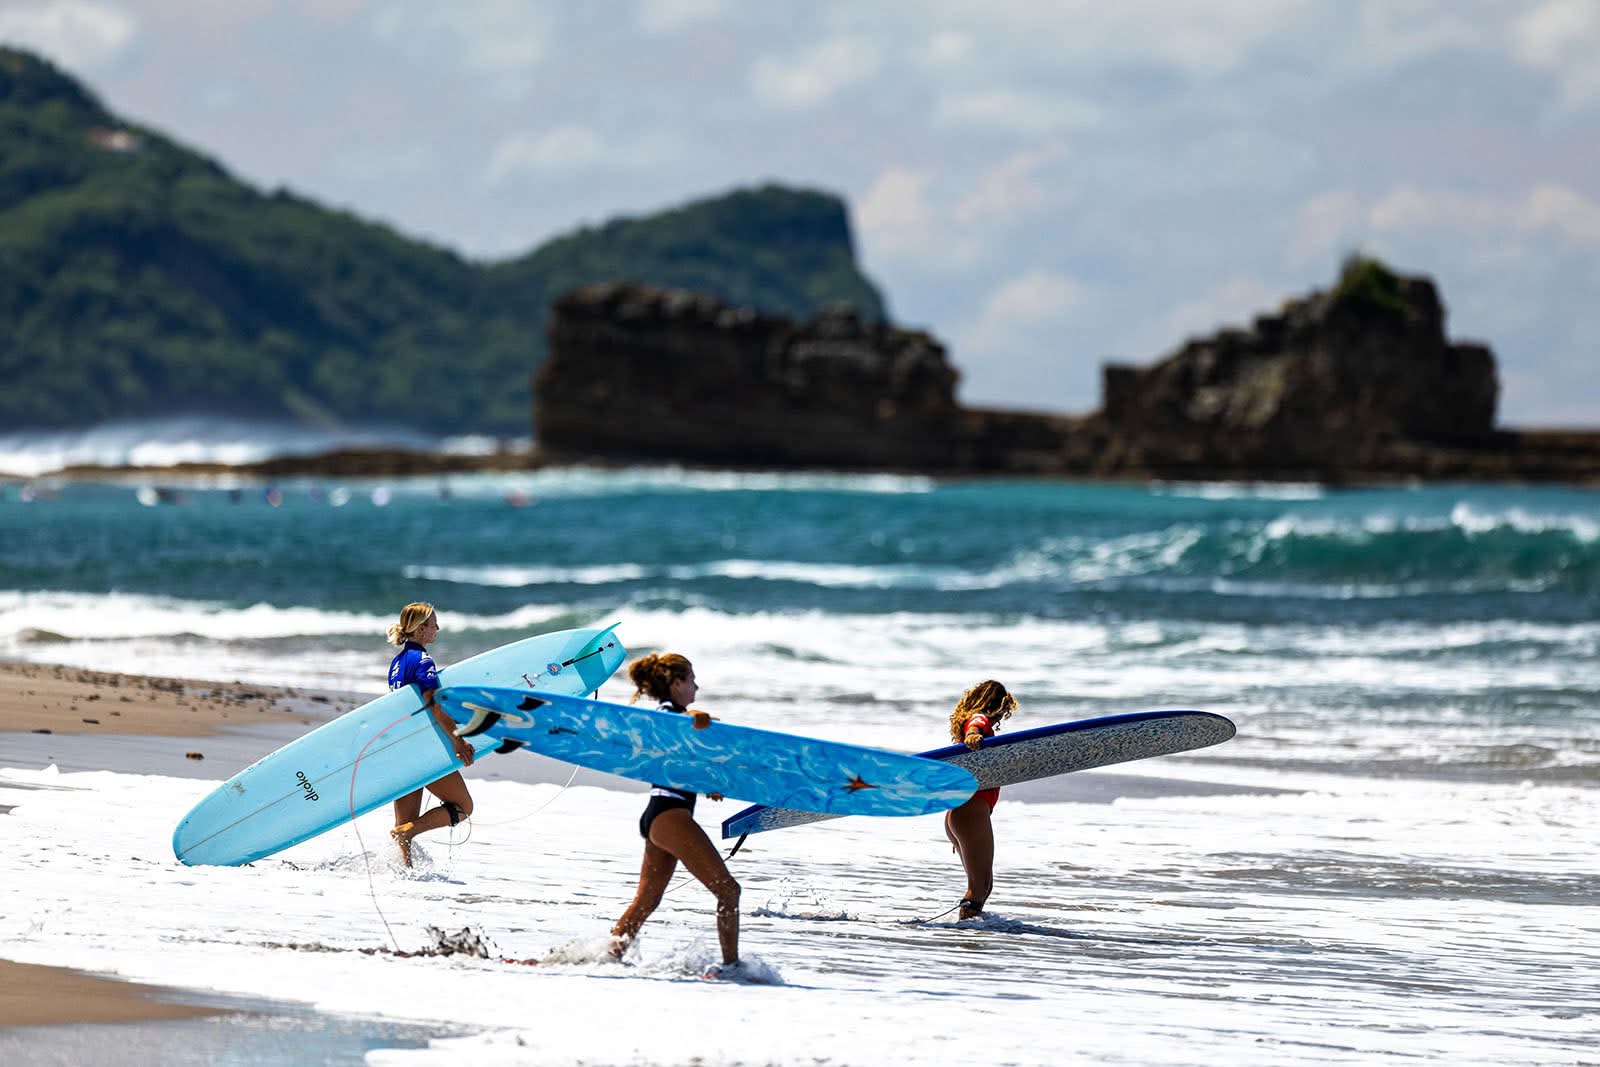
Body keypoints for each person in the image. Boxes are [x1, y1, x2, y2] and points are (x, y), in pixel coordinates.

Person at [609, 652, 741, 972]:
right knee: (728, 890)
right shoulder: (669, 714)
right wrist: (696, 715)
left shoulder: (677, 719)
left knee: (647, 901)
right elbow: (673, 720)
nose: (696, 685)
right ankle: (732, 967)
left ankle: (607, 955)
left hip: (663, 813)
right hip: (670, 815)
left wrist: (705, 782)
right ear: (677, 683)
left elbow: (676, 761)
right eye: (692, 680)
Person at [385, 602, 476, 867]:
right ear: (422, 628)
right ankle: (411, 833)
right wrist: (457, 739)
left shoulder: (397, 663)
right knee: (462, 807)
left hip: (400, 749)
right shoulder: (423, 661)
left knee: (403, 827)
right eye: (434, 623)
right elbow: (434, 703)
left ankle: (406, 880)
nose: (437, 627)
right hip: (421, 750)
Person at [944, 679, 1017, 920]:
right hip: (970, 811)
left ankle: (969, 929)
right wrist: (974, 735)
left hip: (962, 812)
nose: (999, 721)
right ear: (997, 706)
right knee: (979, 889)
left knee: (984, 886)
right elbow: (975, 725)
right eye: (1002, 714)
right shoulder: (980, 720)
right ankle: (965, 936)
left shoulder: (973, 720)